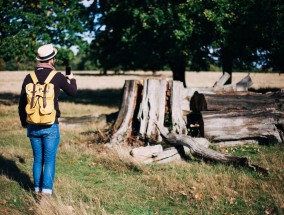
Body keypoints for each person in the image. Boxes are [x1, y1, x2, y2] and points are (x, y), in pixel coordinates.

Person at [18, 44, 77, 195]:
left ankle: (36, 190)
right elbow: (73, 92)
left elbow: (22, 103)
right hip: (51, 124)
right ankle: (46, 194)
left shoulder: (28, 77)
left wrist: (24, 122)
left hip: (32, 124)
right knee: (49, 160)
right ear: (51, 60)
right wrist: (72, 79)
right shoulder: (57, 76)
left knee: (38, 159)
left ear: (40, 60)